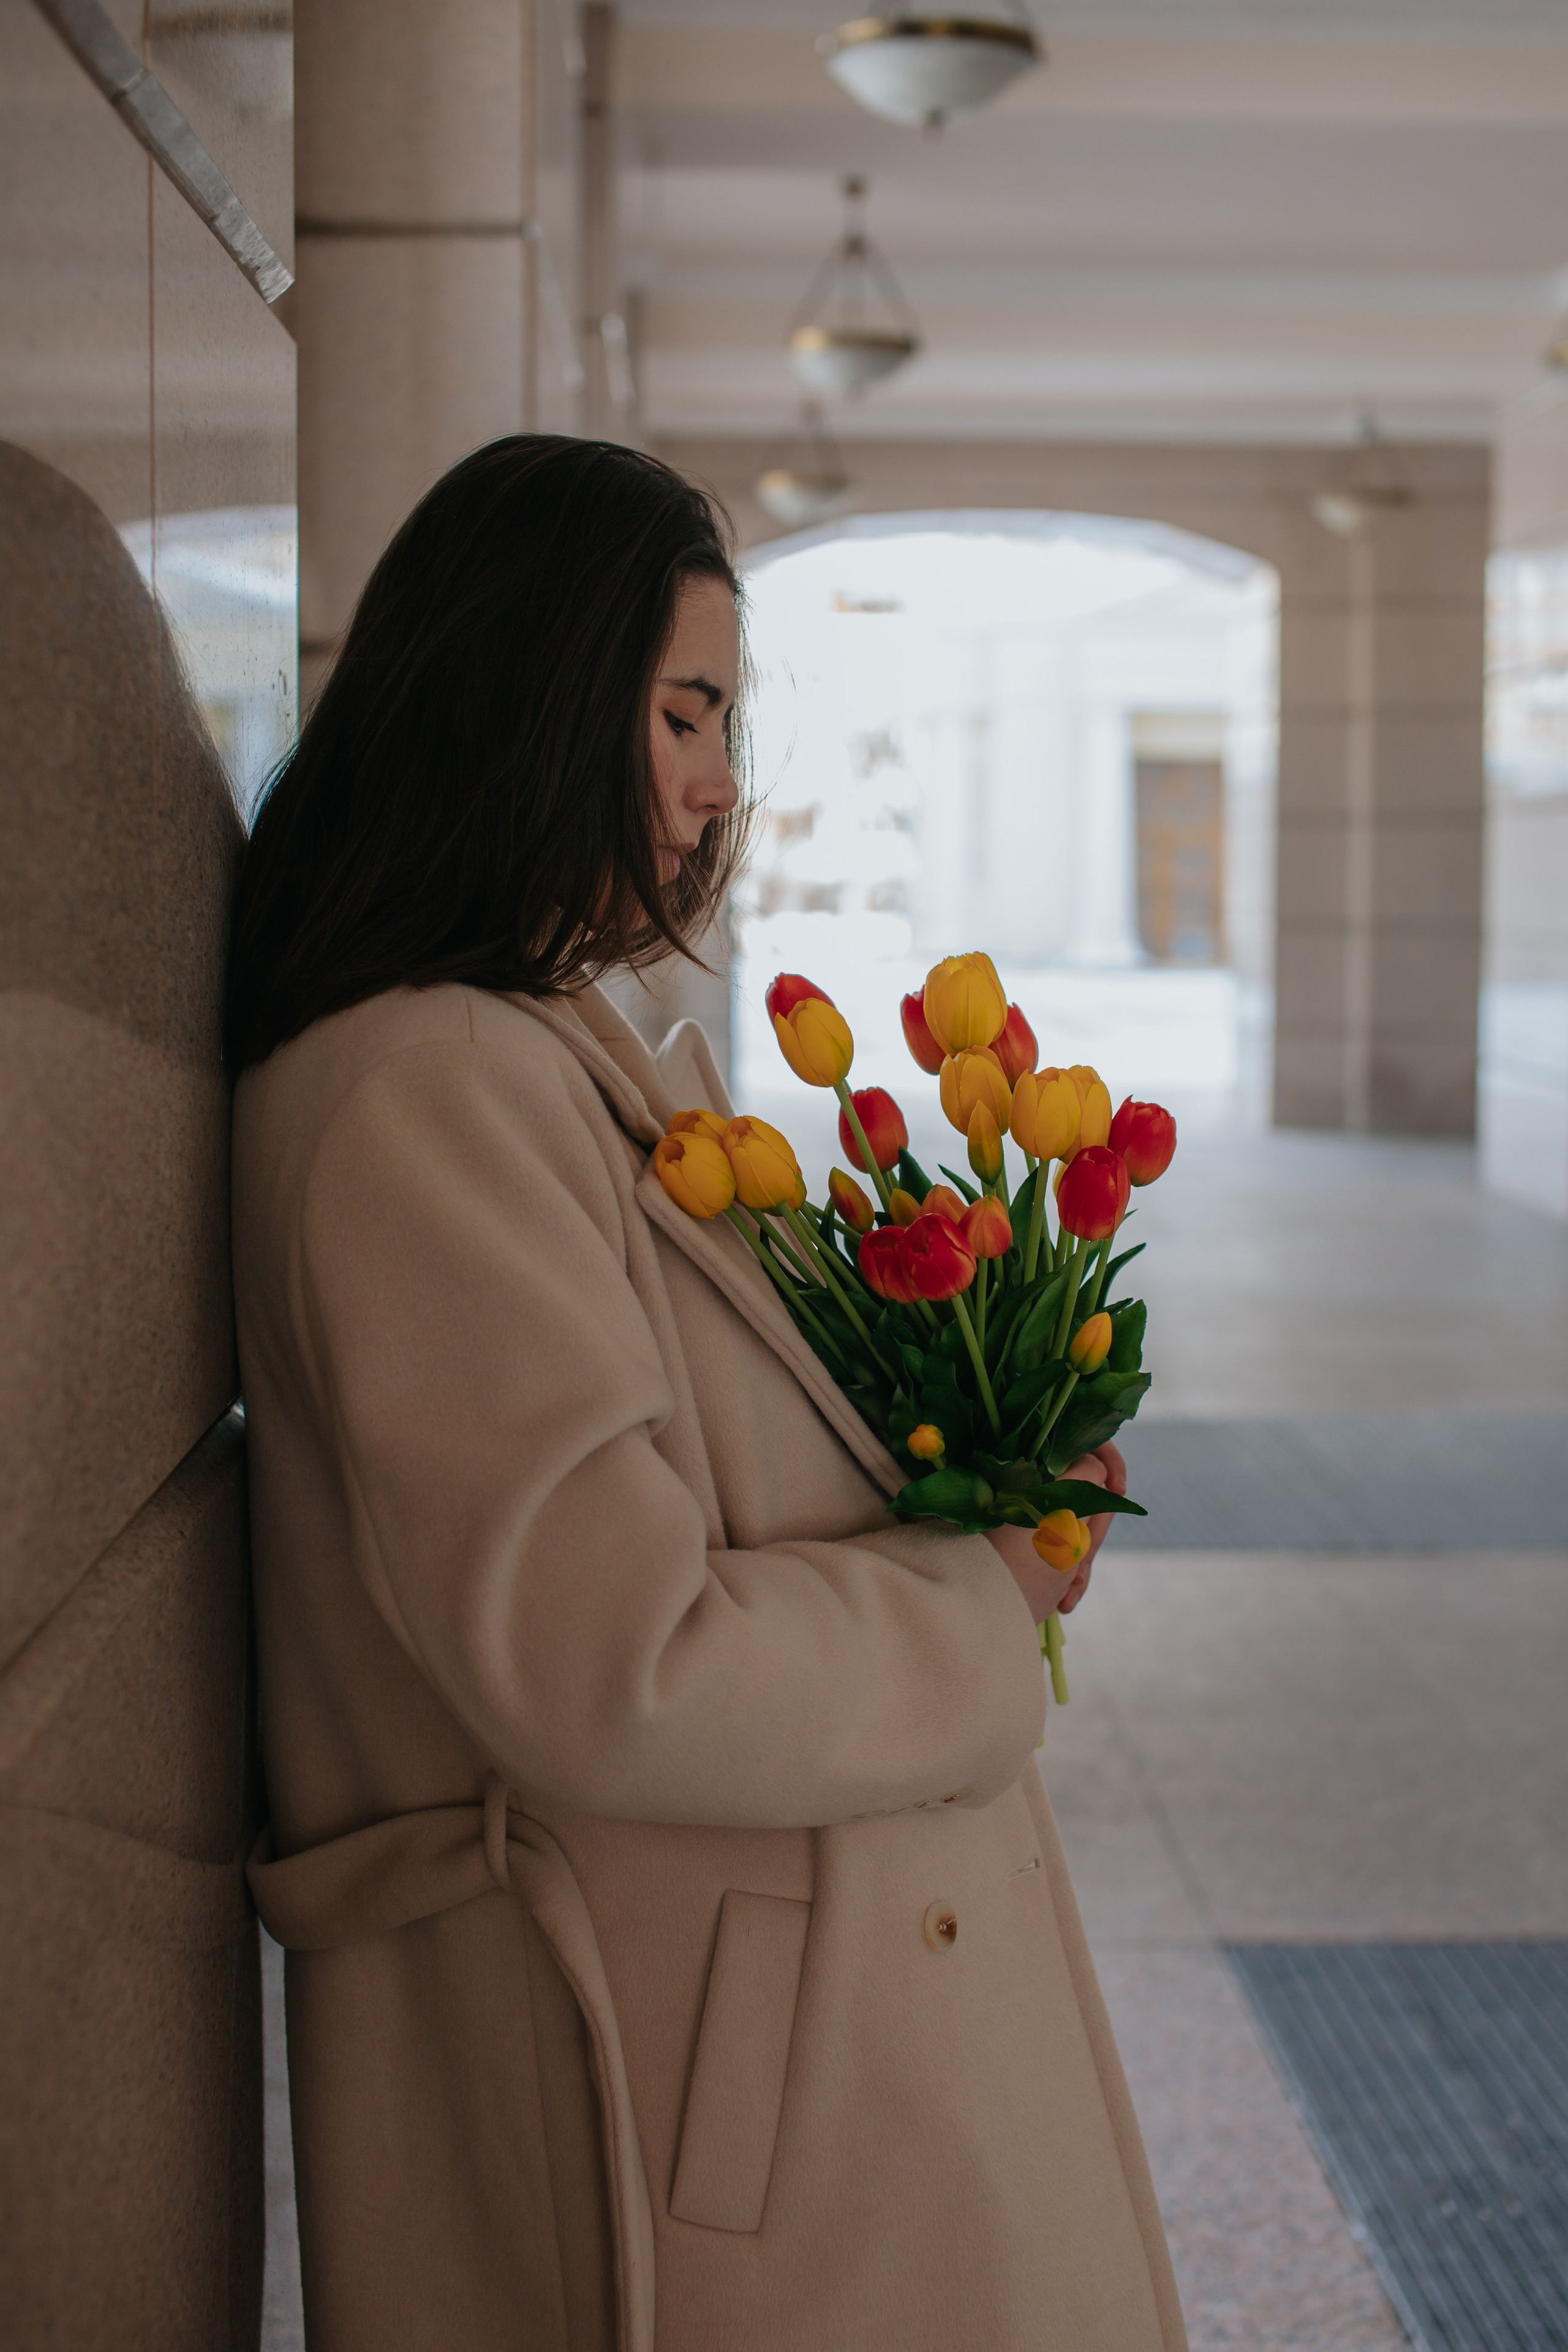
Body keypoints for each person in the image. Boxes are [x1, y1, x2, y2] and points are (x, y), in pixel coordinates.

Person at [228, 435, 1185, 2352]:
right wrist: (976, 1597)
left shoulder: (514, 1051)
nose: (716, 783)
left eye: (722, 721)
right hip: (681, 2106)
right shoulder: (430, 1096)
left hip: (731, 2034)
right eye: (679, 714)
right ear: (526, 693)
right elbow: (615, 1657)